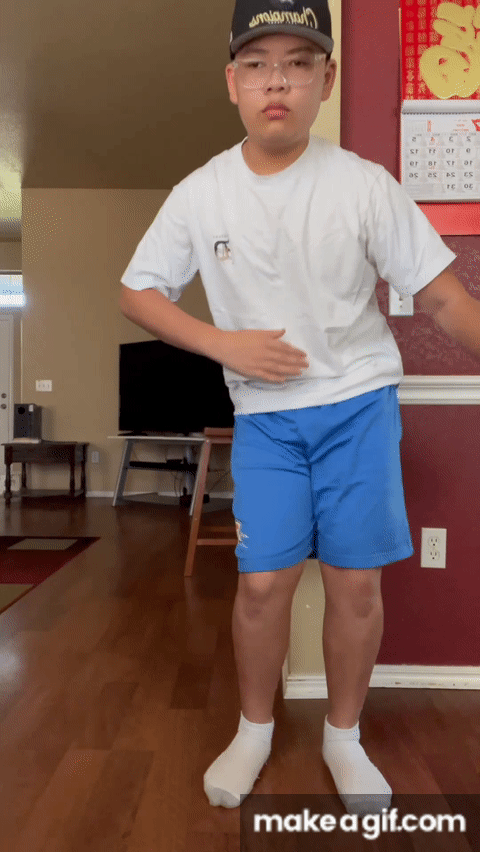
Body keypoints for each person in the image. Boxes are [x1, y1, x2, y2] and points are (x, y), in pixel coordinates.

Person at [120, 0, 463, 817]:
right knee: (263, 586)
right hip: (267, 420)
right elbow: (138, 292)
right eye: (258, 64)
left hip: (358, 408)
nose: (277, 81)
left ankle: (345, 737)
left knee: (354, 587)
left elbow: (445, 299)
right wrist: (224, 345)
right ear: (232, 82)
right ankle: (254, 729)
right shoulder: (201, 194)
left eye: (299, 63)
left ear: (325, 80)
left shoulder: (364, 186)